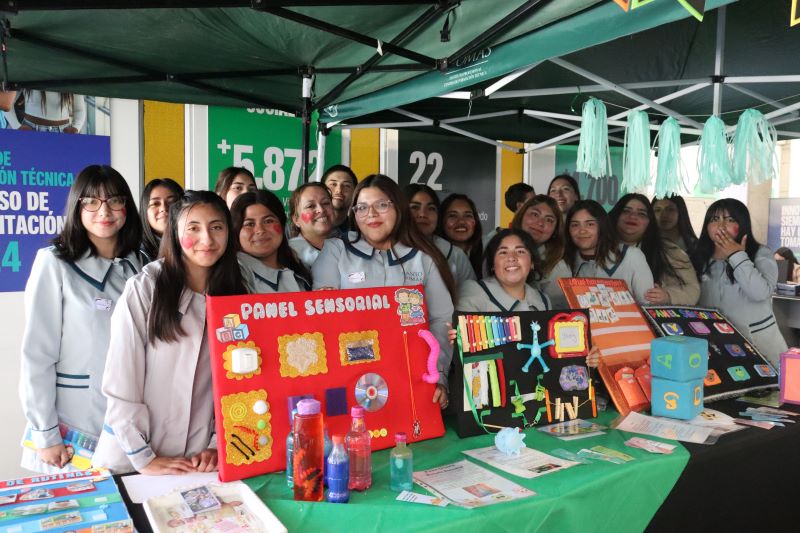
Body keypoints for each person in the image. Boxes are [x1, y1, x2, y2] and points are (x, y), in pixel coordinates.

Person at [93, 191, 247, 475]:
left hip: (198, 461)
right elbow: (121, 381)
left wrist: (216, 445)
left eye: (217, 227)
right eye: (193, 228)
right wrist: (144, 458)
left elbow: (239, 384)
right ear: (175, 234)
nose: (207, 239)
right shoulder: (145, 288)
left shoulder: (237, 293)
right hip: (134, 460)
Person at [19, 165, 143, 473]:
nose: (104, 210)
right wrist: (45, 434)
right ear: (78, 206)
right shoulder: (54, 264)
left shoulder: (142, 266)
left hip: (132, 425)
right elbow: (37, 355)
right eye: (91, 201)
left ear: (126, 206)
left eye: (114, 200)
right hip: (74, 430)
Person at [312, 174, 456, 408]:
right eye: (362, 207)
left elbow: (441, 321)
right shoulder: (337, 250)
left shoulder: (422, 259)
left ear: (398, 208)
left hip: (412, 376)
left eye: (381, 205)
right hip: (351, 375)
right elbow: (324, 312)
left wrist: (437, 374)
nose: (371, 214)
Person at [455, 229, 601, 367]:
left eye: (520, 251)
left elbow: (552, 353)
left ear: (531, 262)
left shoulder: (543, 300)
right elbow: (464, 351)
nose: (511, 258)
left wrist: (585, 355)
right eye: (503, 252)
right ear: (493, 264)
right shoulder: (474, 290)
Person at [690, 199, 788, 369]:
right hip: (715, 348)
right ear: (707, 227)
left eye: (730, 220)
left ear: (742, 225)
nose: (721, 225)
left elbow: (760, 293)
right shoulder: (697, 258)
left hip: (760, 348)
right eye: (714, 219)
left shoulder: (760, 254)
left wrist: (736, 255)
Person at [609, 193, 699, 305]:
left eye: (641, 214)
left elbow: (693, 289)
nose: (633, 216)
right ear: (616, 215)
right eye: (626, 211)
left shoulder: (669, 251)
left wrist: (668, 295)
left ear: (649, 221)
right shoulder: (598, 246)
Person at [565, 199, 654, 303]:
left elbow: (649, 306)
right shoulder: (565, 262)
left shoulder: (631, 256)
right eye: (575, 225)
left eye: (590, 224)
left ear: (602, 226)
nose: (582, 230)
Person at [231, 190, 311, 293]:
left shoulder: (299, 267)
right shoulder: (233, 273)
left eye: (268, 221)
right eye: (249, 224)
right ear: (236, 231)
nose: (260, 230)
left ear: (282, 225)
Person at [405, 183, 476, 287]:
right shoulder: (385, 249)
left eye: (431, 208)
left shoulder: (455, 255)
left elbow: (472, 298)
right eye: (415, 207)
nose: (423, 214)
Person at [511, 195, 572, 308]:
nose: (540, 223)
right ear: (521, 215)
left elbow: (557, 312)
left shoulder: (558, 267)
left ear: (555, 230)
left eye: (549, 220)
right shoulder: (498, 247)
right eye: (535, 214)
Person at [288, 182, 336, 269]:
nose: (321, 210)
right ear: (296, 220)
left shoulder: (347, 247)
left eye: (325, 203)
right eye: (310, 206)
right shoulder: (288, 255)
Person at [439, 193, 483, 278]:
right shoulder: (431, 256)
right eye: (453, 216)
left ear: (475, 220)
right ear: (441, 221)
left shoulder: (487, 251)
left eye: (467, 215)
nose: (461, 221)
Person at [139, 178, 184, 262]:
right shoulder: (136, 254)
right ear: (144, 211)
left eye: (172, 202)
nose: (164, 208)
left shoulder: (196, 244)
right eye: (155, 204)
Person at [16, 90, 86, 133]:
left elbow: (79, 110)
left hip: (63, 131)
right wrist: (17, 126)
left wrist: (75, 128)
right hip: (30, 129)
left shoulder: (70, 74)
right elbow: (7, 103)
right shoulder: (28, 72)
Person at [322, 164, 358, 235]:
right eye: (333, 184)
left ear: (355, 193)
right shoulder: (307, 229)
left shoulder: (360, 232)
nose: (339, 190)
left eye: (346, 186)